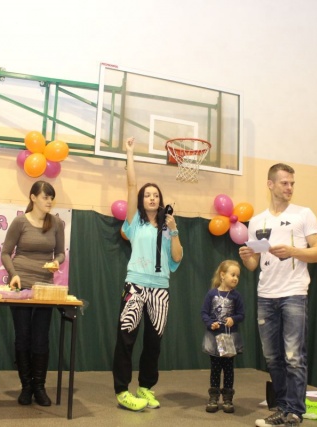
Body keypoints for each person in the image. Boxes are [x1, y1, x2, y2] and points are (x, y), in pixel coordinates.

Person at [239, 163, 317, 427]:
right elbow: (253, 265)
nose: (289, 188)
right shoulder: (257, 221)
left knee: (293, 356)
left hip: (294, 293)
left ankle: (295, 412)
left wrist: (293, 251)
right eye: (284, 183)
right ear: (270, 184)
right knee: (272, 357)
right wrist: (246, 256)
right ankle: (282, 408)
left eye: (292, 183)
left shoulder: (303, 214)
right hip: (266, 295)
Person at [112, 137, 183, 412]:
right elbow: (131, 185)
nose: (151, 198)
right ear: (142, 201)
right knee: (126, 338)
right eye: (147, 195)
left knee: (154, 343)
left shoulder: (168, 227)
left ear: (161, 200)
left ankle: (145, 388)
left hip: (160, 290)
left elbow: (177, 258)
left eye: (155, 195)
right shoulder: (134, 223)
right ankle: (122, 392)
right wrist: (129, 153)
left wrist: (174, 231)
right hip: (135, 286)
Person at [1, 181, 66, 407]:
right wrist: (13, 275)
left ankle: (39, 386)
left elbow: (60, 253)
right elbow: (5, 253)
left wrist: (56, 262)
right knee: (23, 336)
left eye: (51, 198)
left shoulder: (56, 223)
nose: (49, 201)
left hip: (44, 288)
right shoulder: (20, 222)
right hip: (20, 285)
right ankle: (26, 387)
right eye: (45, 197)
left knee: (40, 338)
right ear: (33, 197)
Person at [201, 260, 245, 414]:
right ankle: (213, 397)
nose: (235, 278)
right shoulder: (212, 294)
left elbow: (241, 314)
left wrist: (234, 319)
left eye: (237, 276)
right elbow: (204, 313)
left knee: (228, 368)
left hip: (229, 338)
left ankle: (227, 398)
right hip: (214, 337)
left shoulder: (236, 296)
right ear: (222, 275)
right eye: (233, 275)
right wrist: (210, 323)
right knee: (215, 368)